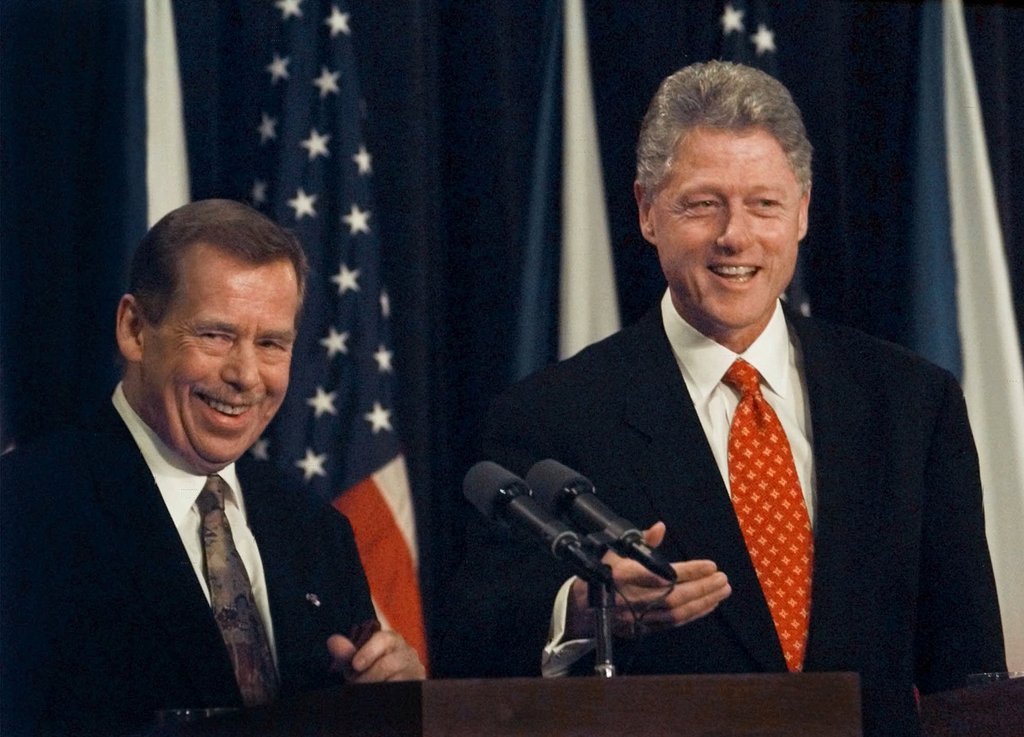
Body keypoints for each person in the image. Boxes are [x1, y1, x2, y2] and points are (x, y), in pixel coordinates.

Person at [435, 61, 1005, 737]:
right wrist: (585, 609)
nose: (735, 235)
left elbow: (967, 673)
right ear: (647, 211)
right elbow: (474, 635)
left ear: (802, 211)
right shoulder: (553, 414)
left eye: (764, 204)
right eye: (703, 204)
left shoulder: (911, 402)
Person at [0, 199, 425, 736]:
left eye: (271, 344)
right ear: (135, 330)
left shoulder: (316, 532)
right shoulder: (25, 510)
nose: (246, 375)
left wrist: (391, 701)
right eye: (216, 335)